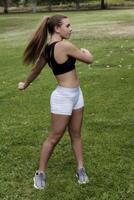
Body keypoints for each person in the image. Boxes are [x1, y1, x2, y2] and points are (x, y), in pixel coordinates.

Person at [18, 14, 93, 189]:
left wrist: (25, 84)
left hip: (76, 95)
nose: (71, 28)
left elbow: (35, 70)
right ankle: (40, 173)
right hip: (63, 98)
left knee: (76, 134)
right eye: (68, 25)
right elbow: (89, 59)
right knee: (54, 137)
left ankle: (80, 169)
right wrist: (86, 51)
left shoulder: (47, 49)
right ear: (57, 29)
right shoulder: (65, 45)